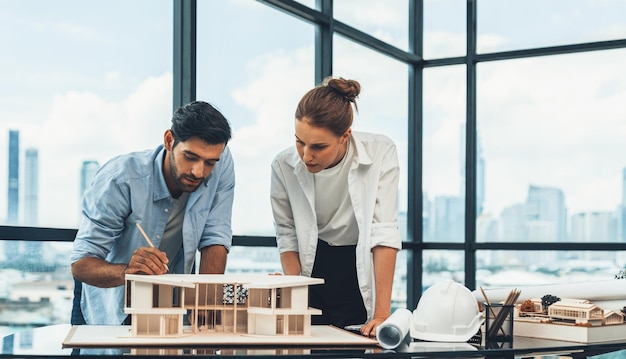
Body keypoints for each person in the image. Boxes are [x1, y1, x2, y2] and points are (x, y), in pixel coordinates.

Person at [71, 100, 235, 326]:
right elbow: (81, 264)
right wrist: (129, 272)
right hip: (112, 299)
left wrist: (206, 298)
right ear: (169, 140)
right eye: (190, 157)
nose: (199, 172)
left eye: (209, 163)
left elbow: (215, 235)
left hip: (170, 299)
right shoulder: (120, 180)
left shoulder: (221, 161)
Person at [270, 77, 402, 338]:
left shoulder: (380, 152)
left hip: (356, 261)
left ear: (345, 136)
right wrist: (295, 289)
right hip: (312, 260)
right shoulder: (282, 165)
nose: (306, 155)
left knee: (356, 342)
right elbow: (287, 233)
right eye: (299, 142)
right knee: (307, 342)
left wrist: (381, 314)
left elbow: (383, 232)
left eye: (319, 146)